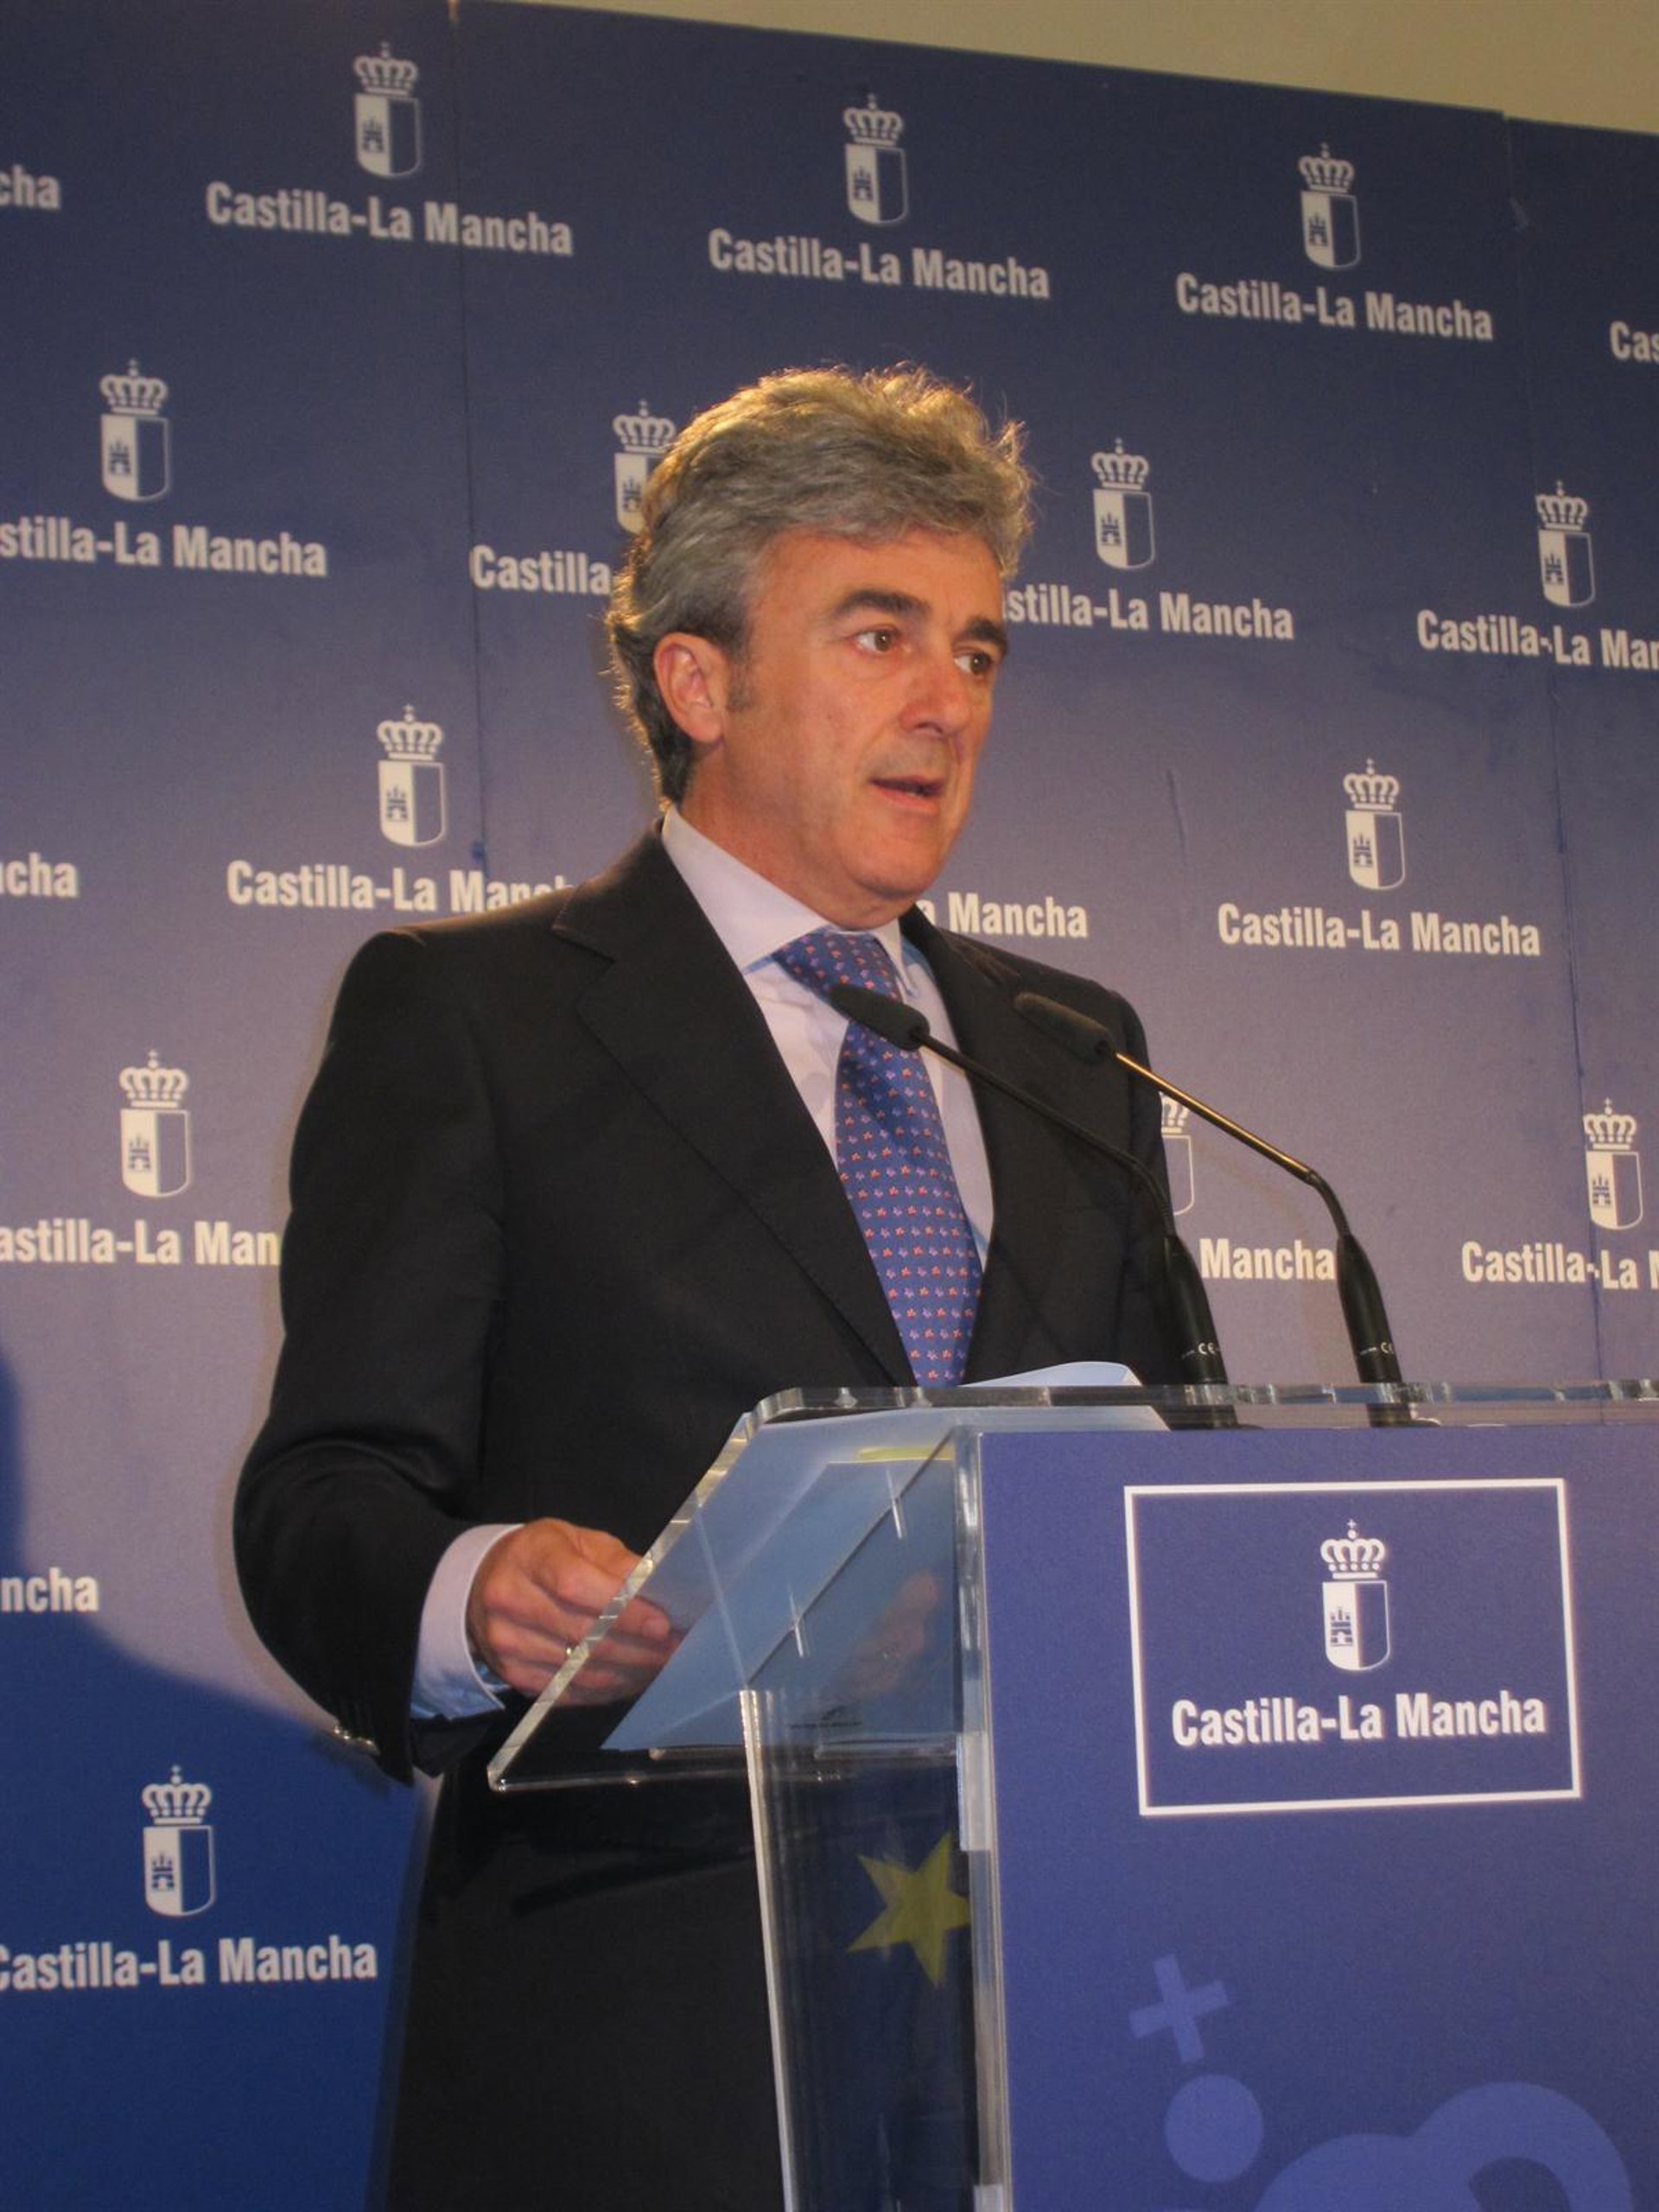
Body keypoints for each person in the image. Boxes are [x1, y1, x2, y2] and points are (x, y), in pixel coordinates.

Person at [235, 364, 1179, 2209]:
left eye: (978, 650)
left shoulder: (1078, 1048)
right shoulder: (476, 1021)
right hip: (654, 2050)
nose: (946, 701)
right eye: (880, 635)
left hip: (1069, 2025)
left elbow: (1161, 1476)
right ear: (699, 680)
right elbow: (323, 1490)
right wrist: (474, 1589)